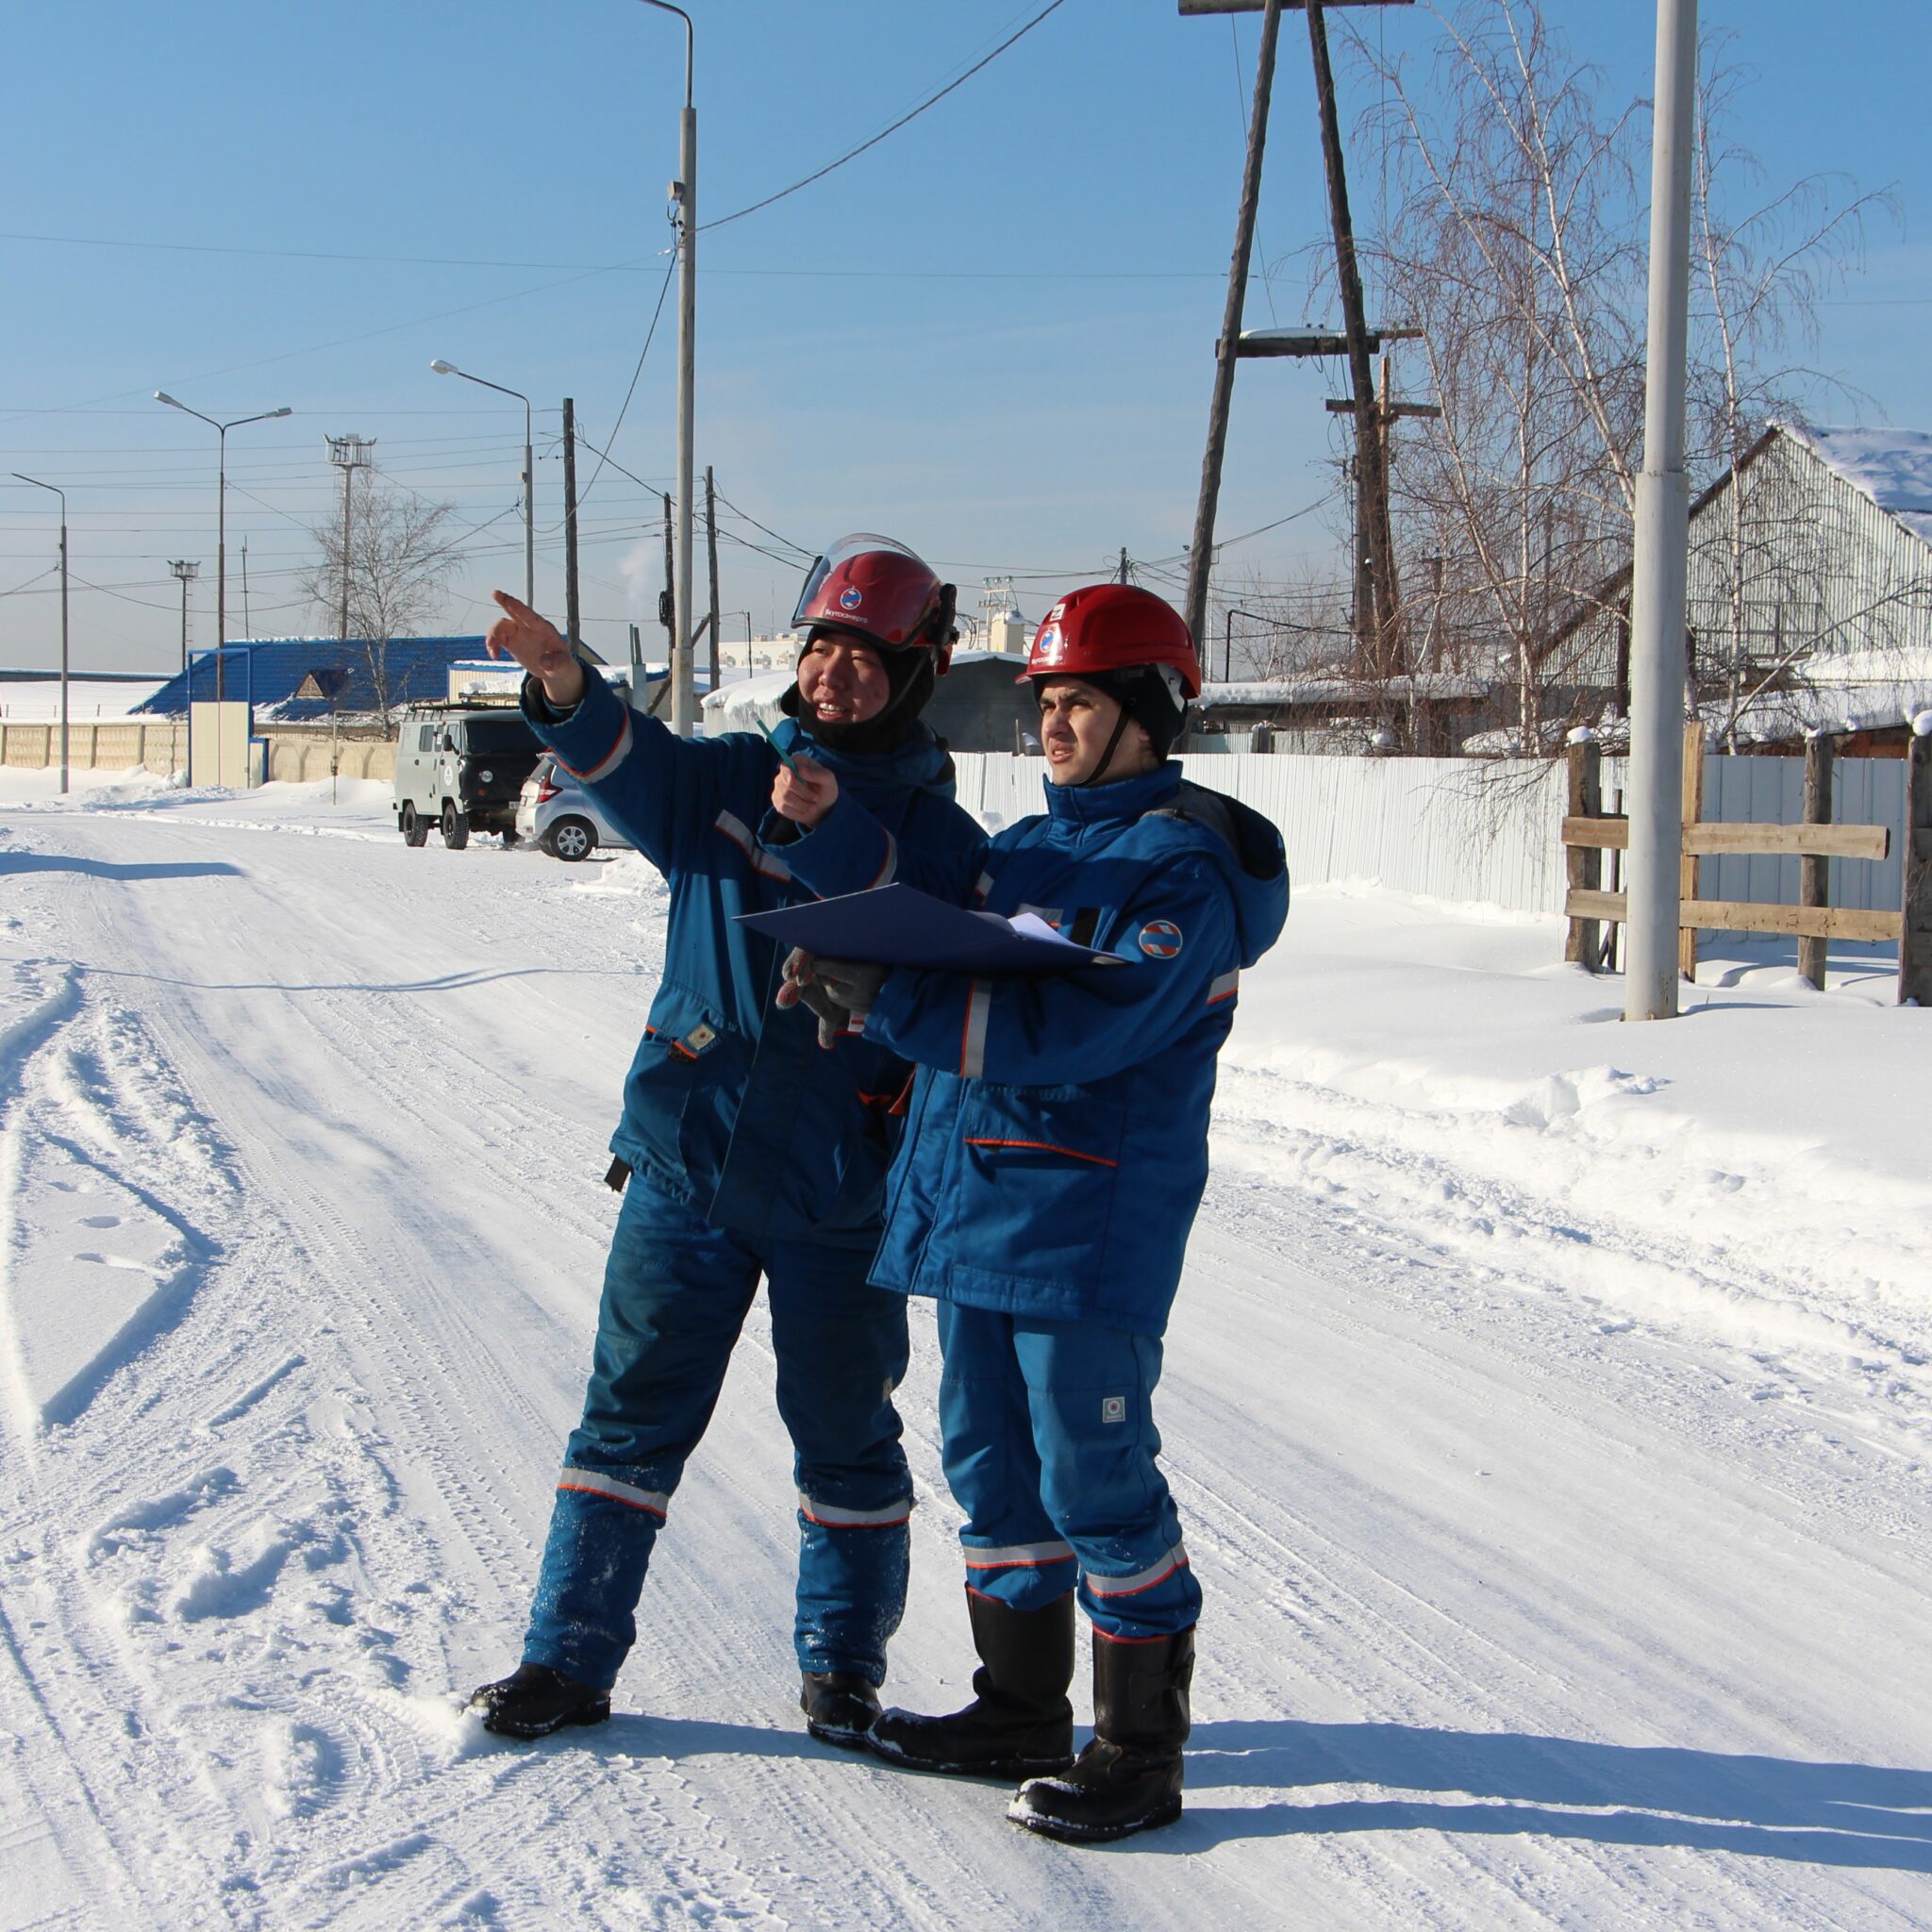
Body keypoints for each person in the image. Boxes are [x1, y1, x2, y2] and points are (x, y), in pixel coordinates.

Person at [768, 583, 1288, 1841]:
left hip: (1086, 1226)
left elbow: (1073, 1030)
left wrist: (890, 997)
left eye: (1081, 704)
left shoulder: (1180, 871)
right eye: (1046, 703)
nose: (1054, 725)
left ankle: (1140, 1750)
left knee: (1094, 1475)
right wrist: (851, 957)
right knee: (992, 1470)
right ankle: (1017, 1705)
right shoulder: (1027, 849)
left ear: (1148, 714)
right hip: (975, 1208)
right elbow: (939, 939)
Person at [467, 535, 984, 1748]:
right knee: (628, 1411)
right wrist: (562, 685)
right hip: (686, 1162)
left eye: (865, 656)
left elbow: (922, 913)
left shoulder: (946, 841)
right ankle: (566, 1656)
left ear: (914, 674)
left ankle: (842, 1669)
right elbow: (629, 765)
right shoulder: (733, 776)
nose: (832, 672)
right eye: (820, 645)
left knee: (847, 1432)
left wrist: (830, 831)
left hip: (841, 1187)